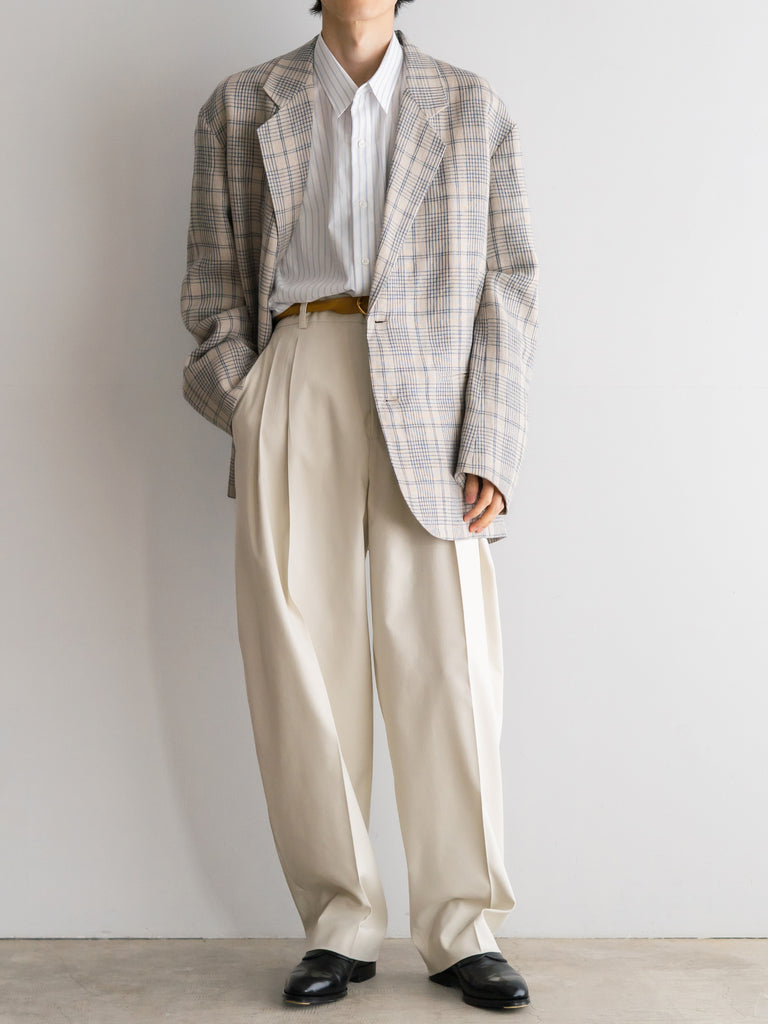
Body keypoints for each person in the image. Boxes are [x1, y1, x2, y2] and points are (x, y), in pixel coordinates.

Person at [179, 0, 539, 1011]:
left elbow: (510, 283)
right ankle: (339, 925)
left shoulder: (469, 107)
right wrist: (249, 401)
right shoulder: (243, 105)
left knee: (450, 661)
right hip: (298, 369)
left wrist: (492, 439)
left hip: (434, 390)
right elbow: (211, 285)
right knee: (302, 662)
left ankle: (463, 929)